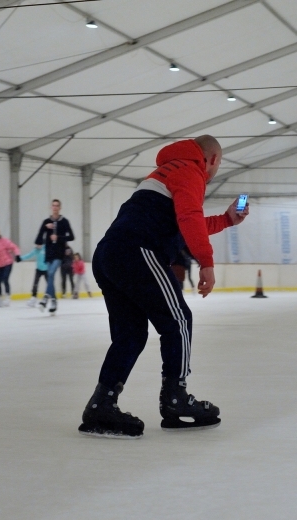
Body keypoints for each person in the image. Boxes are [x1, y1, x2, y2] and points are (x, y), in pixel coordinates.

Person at [79, 135, 249, 439]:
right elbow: (190, 217)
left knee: (130, 334)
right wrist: (207, 262)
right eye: (218, 164)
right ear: (210, 159)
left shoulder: (166, 171)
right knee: (179, 320)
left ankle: (101, 405)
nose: (215, 171)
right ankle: (176, 398)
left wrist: (226, 220)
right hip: (137, 251)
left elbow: (184, 224)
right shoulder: (190, 170)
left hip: (109, 254)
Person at [34, 199, 75, 314]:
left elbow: (71, 236)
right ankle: (54, 302)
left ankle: (46, 297)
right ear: (51, 207)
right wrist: (45, 228)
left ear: (60, 207)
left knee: (51, 273)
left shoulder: (64, 221)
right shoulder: (46, 221)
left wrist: (59, 238)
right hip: (49, 253)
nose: (55, 207)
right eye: (53, 205)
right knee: (50, 277)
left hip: (59, 253)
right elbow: (38, 239)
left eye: (57, 206)